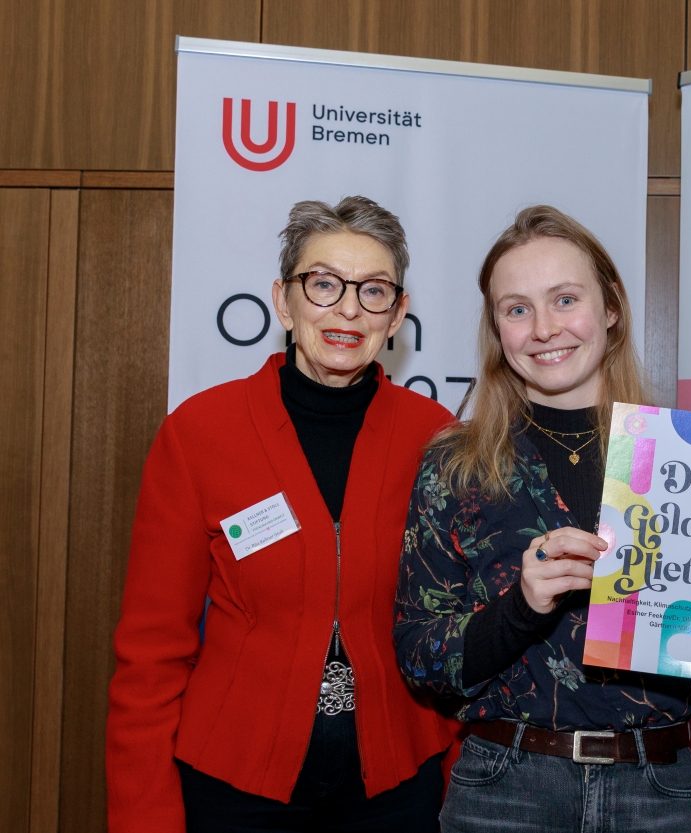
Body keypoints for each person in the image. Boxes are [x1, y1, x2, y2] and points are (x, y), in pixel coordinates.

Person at [392, 204, 691, 832]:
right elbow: (420, 660)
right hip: (504, 792)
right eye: (517, 309)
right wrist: (521, 607)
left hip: (656, 791)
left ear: (611, 308)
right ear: (497, 329)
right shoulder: (455, 465)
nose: (544, 329)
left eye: (565, 299)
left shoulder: (688, 459)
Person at [107, 197, 455, 832]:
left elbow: (459, 631)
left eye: (374, 290)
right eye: (323, 284)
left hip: (398, 789)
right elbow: (151, 653)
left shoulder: (436, 439)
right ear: (283, 301)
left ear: (397, 314)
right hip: (234, 787)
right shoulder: (200, 434)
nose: (348, 309)